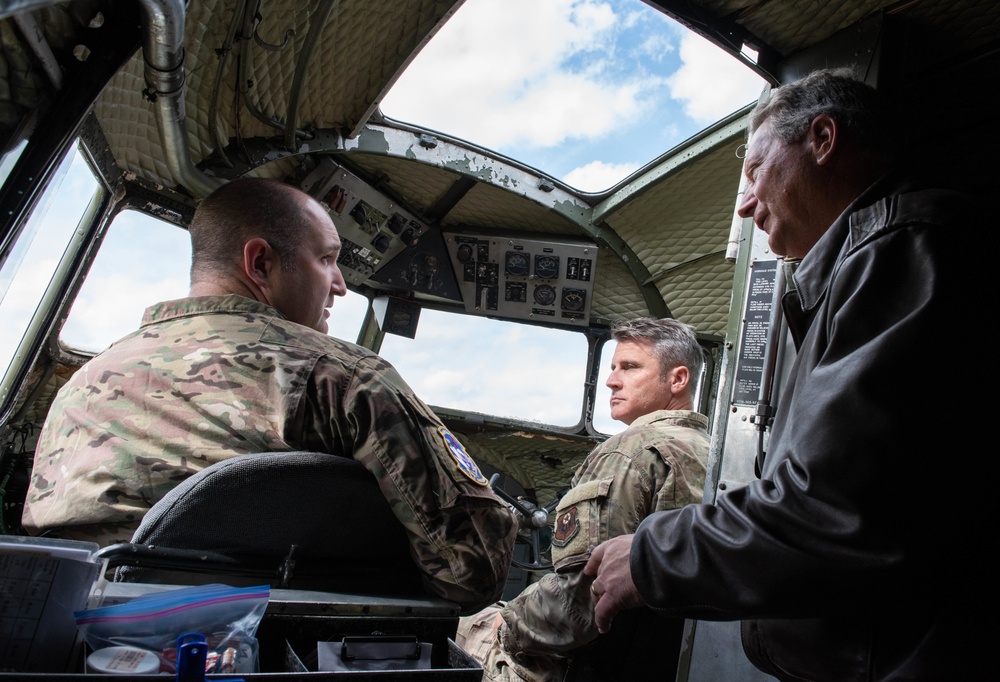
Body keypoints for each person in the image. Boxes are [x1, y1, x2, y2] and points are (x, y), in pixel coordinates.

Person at [584, 68, 996, 680]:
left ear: (823, 139)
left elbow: (835, 510)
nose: (746, 205)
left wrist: (649, 558)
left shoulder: (903, 251)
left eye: (753, 173)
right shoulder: (866, 268)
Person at [22, 177, 516, 612]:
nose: (340, 285)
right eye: (326, 259)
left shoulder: (83, 382)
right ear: (260, 263)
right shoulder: (338, 377)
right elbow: (471, 572)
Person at [458, 317, 710, 682]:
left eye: (630, 367)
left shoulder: (631, 451)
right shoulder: (711, 453)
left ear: (678, 379)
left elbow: (578, 604)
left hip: (579, 666)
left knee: (460, 623)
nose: (611, 380)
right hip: (647, 663)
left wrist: (507, 624)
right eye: (612, 367)